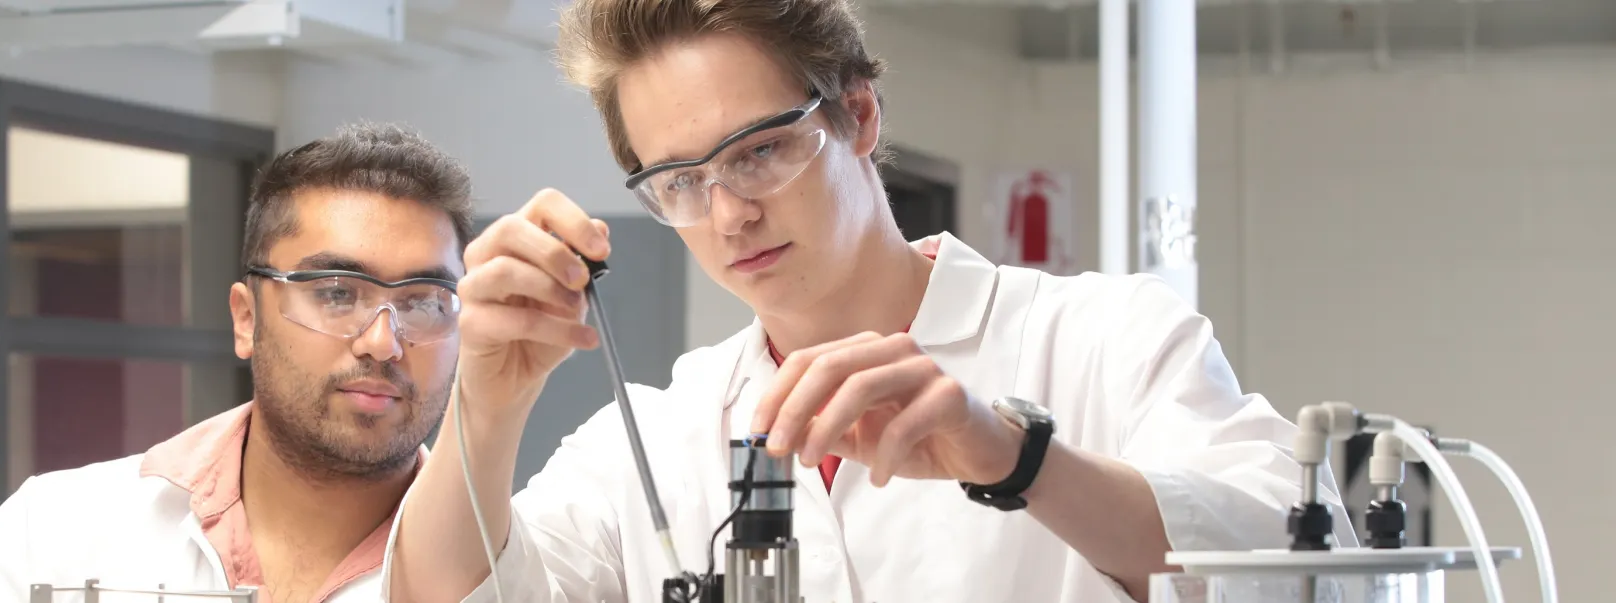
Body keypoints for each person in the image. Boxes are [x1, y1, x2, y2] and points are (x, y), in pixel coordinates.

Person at [383, 1, 1354, 602]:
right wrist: (485, 403)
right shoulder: (662, 432)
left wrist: (1016, 459)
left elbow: (1303, 569)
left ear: (857, 114)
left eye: (759, 149)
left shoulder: (1105, 342)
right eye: (678, 179)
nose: (728, 211)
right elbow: (444, 596)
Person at [0, 123, 475, 603]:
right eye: (336, 294)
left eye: (422, 302)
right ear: (247, 319)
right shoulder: (59, 530)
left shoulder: (502, 577)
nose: (383, 342)